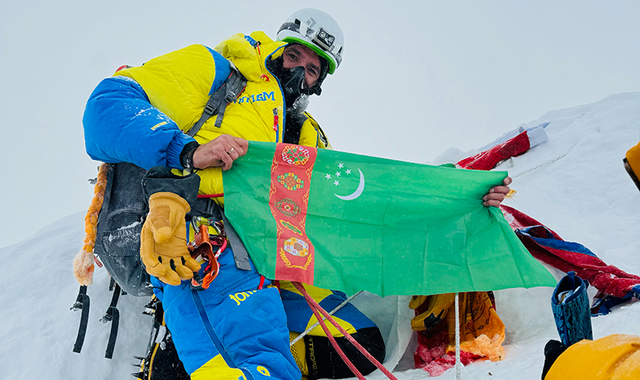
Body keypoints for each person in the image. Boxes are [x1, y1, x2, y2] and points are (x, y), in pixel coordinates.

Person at [83, 8, 512, 380]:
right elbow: (108, 102)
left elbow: (360, 204)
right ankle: (207, 346)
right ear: (277, 48)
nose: (298, 70)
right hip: (206, 236)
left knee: (362, 345)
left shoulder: (310, 140)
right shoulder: (221, 72)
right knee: (259, 363)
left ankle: (192, 349)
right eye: (293, 55)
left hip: (277, 261)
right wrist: (188, 150)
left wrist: (456, 197)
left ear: (320, 80)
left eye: (312, 67)